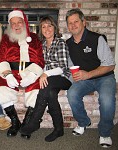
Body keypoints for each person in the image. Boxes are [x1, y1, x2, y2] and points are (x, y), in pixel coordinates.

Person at [66, 8, 116, 148]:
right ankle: (83, 122)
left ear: (84, 22)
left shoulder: (97, 38)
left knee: (106, 100)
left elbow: (110, 65)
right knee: (72, 93)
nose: (73, 25)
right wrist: (72, 78)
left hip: (104, 77)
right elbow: (70, 67)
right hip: (84, 79)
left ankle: (105, 133)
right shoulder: (68, 44)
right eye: (70, 23)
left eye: (76, 21)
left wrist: (88, 74)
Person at [0, 9, 44, 139]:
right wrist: (7, 74)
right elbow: (0, 58)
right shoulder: (6, 38)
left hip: (30, 72)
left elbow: (40, 59)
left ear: (24, 22)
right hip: (11, 72)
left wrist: (33, 75)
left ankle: (27, 123)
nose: (16, 25)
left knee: (38, 90)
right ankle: (15, 122)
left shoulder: (34, 38)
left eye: (19, 22)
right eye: (13, 23)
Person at [19, 16, 72, 142]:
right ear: (40, 29)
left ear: (54, 27)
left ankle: (34, 122)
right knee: (51, 94)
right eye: (43, 26)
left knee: (47, 86)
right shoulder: (42, 45)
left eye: (49, 25)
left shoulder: (60, 43)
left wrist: (45, 74)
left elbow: (63, 67)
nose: (47, 29)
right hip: (50, 79)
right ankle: (59, 129)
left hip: (63, 78)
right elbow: (40, 63)